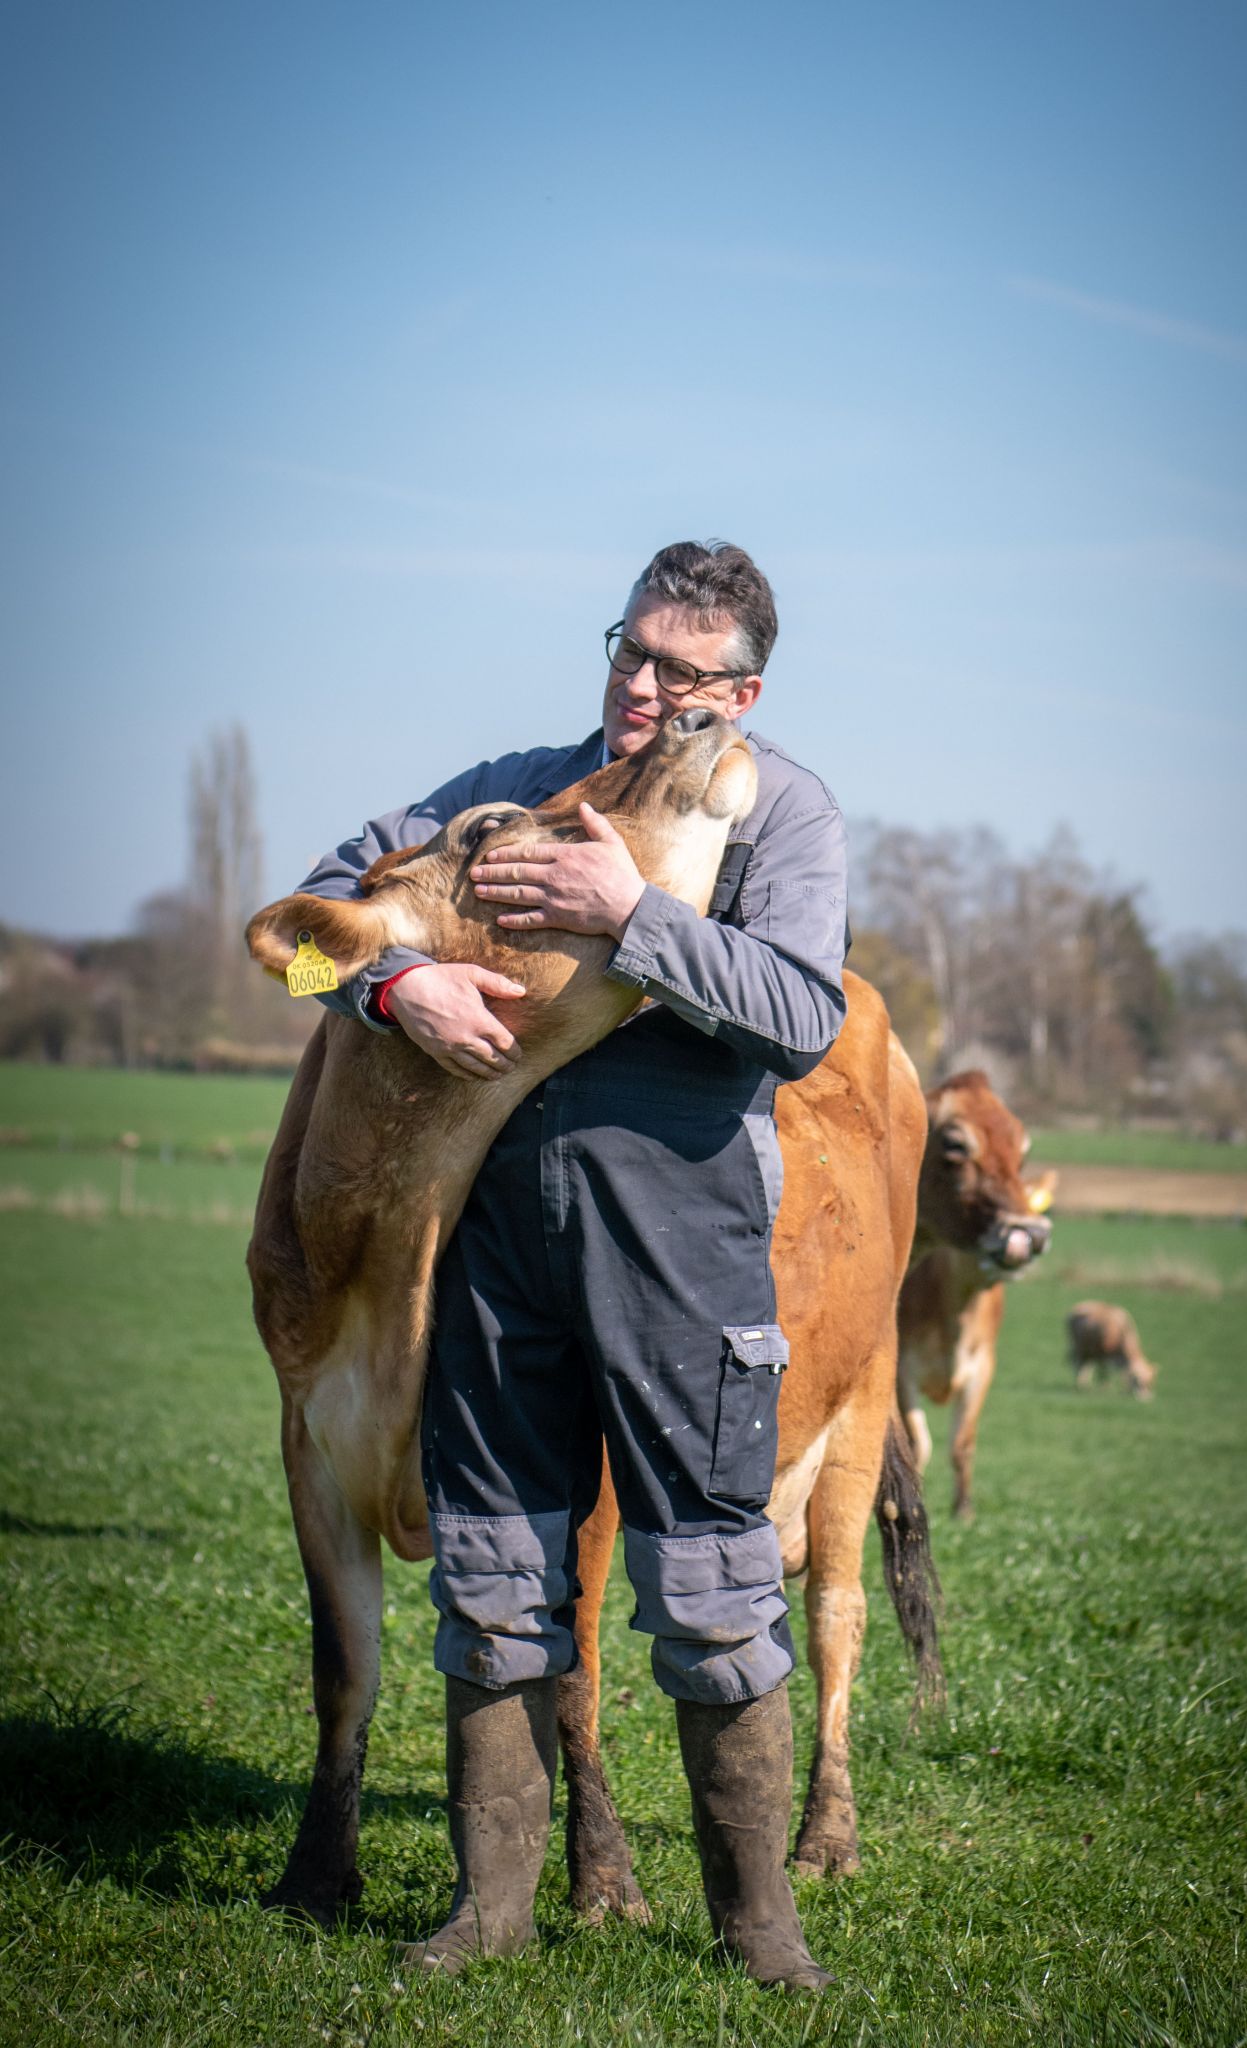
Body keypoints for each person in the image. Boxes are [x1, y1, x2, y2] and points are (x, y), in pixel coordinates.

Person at [298, 541, 847, 1990]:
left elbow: (799, 1016)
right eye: (627, 650)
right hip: (487, 1240)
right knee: (491, 1573)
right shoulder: (519, 783)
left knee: (714, 1582)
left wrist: (635, 919)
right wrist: (394, 978)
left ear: (738, 692)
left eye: (676, 671)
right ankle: (489, 1911)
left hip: (681, 1242)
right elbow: (319, 896)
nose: (640, 686)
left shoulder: (782, 810)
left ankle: (758, 1928)